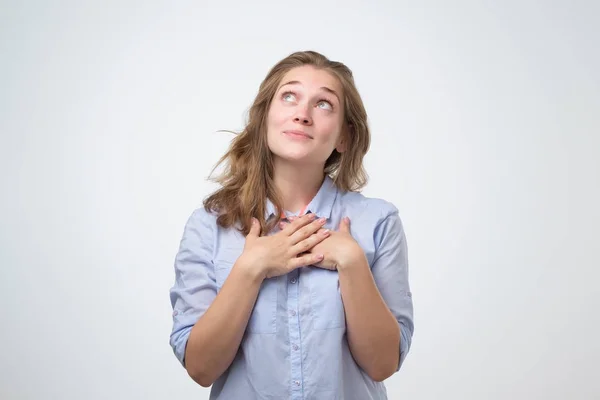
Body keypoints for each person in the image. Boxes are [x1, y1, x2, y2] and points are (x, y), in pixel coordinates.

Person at [169, 50, 414, 400]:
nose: (302, 114)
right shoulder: (210, 225)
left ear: (344, 137)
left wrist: (353, 263)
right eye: (289, 97)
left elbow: (382, 364)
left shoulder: (378, 223)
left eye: (324, 104)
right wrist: (250, 268)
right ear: (264, 117)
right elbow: (201, 369)